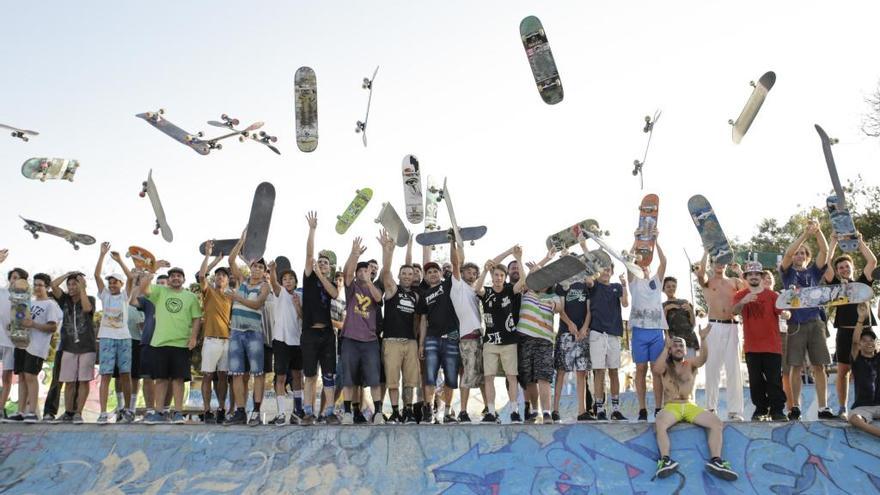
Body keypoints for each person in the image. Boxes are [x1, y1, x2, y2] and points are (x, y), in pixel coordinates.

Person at [652, 325, 738, 481]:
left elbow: (704, 358)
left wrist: (703, 339)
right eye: (675, 346)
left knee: (716, 422)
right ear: (671, 350)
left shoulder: (690, 364)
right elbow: (656, 369)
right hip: (672, 406)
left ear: (685, 350)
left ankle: (716, 460)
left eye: (681, 346)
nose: (678, 348)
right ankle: (665, 460)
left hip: (690, 406)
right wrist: (666, 347)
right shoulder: (666, 366)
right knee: (660, 421)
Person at [779, 219, 832, 420]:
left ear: (808, 257)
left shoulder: (813, 271)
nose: (799, 255)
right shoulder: (787, 272)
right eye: (797, 253)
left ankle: (823, 407)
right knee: (796, 365)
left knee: (819, 365)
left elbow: (825, 252)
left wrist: (818, 231)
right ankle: (795, 407)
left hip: (815, 321)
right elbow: (788, 254)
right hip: (795, 325)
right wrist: (804, 234)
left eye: (803, 253)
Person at [823, 233, 876, 418]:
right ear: (838, 271)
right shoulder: (836, 285)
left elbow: (872, 261)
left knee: (870, 369)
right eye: (841, 268)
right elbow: (825, 264)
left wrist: (859, 241)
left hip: (865, 333)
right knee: (843, 371)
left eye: (847, 266)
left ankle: (872, 404)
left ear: (852, 267)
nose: (844, 269)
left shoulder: (863, 282)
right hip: (845, 333)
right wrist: (833, 242)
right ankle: (843, 408)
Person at [141, 267, 202, 424]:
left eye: (179, 276)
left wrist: (193, 337)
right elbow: (143, 288)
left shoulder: (191, 297)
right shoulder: (160, 291)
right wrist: (153, 269)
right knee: (160, 379)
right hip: (159, 343)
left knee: (178, 380)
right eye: (172, 276)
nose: (175, 278)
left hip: (181, 344)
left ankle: (178, 413)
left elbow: (197, 318)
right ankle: (159, 413)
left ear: (183, 279)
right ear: (168, 279)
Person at [517, 252, 569, 424]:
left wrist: (553, 304)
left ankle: (546, 412)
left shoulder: (552, 296)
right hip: (525, 339)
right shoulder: (527, 291)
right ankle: (534, 411)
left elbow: (559, 308)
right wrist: (540, 264)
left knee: (543, 377)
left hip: (544, 341)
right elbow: (527, 278)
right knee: (528, 378)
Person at [732, 261, 788, 421]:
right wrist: (744, 301)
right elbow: (733, 312)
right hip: (751, 346)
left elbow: (783, 312)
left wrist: (786, 315)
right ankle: (761, 409)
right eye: (751, 274)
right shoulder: (740, 295)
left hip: (772, 346)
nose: (754, 277)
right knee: (755, 381)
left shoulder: (772, 295)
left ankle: (778, 410)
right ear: (746, 277)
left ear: (762, 277)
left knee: (774, 380)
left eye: (757, 274)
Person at [694, 249, 746, 422]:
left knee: (734, 369)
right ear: (712, 263)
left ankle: (735, 410)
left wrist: (739, 271)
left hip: (732, 325)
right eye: (717, 262)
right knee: (712, 368)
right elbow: (700, 274)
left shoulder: (734, 281)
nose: (720, 265)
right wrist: (706, 252)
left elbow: (750, 289)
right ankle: (710, 407)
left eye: (722, 262)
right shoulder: (708, 281)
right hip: (714, 325)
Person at [476, 248, 525, 423]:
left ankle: (514, 411)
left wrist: (518, 258)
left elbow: (523, 281)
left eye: (501, 276)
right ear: (492, 276)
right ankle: (490, 411)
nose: (498, 278)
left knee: (512, 377)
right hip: (490, 342)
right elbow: (477, 287)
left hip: (509, 341)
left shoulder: (510, 290)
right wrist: (484, 269)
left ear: (504, 278)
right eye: (495, 275)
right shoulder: (487, 292)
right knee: (488, 377)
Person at [226, 233, 270, 426]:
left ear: (264, 271)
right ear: (250, 267)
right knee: (236, 373)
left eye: (261, 267)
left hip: (253, 333)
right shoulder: (242, 280)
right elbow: (230, 260)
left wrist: (238, 299)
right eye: (255, 266)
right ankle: (241, 411)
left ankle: (257, 412)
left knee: (257, 373)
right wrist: (242, 242)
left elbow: (257, 304)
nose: (257, 269)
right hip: (236, 332)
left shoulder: (265, 286)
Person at [301, 212, 341, 425]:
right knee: (310, 375)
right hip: (309, 332)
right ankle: (308, 411)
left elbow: (334, 294)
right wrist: (312, 230)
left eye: (326, 263)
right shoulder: (308, 278)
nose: (322, 264)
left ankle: (329, 410)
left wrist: (321, 274)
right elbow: (309, 255)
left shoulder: (332, 284)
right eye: (320, 262)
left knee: (328, 375)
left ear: (330, 267)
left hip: (327, 333)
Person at [339, 236, 384, 425]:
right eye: (362, 270)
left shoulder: (374, 287)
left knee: (374, 378)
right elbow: (347, 273)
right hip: (350, 338)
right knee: (348, 378)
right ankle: (348, 412)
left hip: (370, 340)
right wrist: (354, 254)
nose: (365, 273)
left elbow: (379, 299)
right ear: (357, 273)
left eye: (368, 270)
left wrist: (369, 282)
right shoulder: (352, 287)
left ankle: (378, 413)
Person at [378, 232, 420, 424]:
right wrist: (388, 251)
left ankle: (408, 411)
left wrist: (410, 247)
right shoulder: (392, 290)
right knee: (393, 380)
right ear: (399, 276)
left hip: (410, 342)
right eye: (403, 273)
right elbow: (385, 273)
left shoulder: (416, 296)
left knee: (410, 381)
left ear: (414, 277)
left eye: (410, 274)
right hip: (392, 340)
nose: (406, 276)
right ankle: (395, 411)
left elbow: (419, 320)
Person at [10, 273, 62, 422]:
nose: (37, 288)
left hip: (37, 346)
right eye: (36, 284)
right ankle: (20, 411)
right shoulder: (29, 302)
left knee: (30, 376)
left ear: (46, 287)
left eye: (40, 285)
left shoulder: (50, 304)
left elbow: (52, 327)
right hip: (22, 343)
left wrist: (33, 324)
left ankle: (32, 411)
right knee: (21, 377)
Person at [417, 253, 460, 425]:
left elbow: (457, 264)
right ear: (425, 277)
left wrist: (453, 244)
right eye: (429, 272)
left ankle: (448, 412)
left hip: (451, 337)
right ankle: (429, 412)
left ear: (441, 274)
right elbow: (422, 321)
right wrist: (421, 343)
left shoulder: (448, 285)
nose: (433, 274)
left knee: (451, 378)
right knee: (429, 377)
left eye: (436, 271)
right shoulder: (424, 295)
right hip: (432, 339)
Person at [552, 242, 593, 422]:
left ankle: (582, 410)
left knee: (581, 371)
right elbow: (560, 308)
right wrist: (569, 324)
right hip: (565, 332)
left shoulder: (585, 284)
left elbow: (589, 309)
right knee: (561, 370)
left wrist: (584, 327)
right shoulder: (562, 284)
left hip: (583, 333)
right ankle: (555, 410)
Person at [94, 243, 134, 424]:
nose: (111, 285)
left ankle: (127, 410)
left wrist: (120, 260)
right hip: (107, 338)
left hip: (124, 338)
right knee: (106, 375)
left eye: (115, 282)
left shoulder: (126, 296)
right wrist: (102, 254)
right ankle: (103, 412)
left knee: (126, 374)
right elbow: (96, 275)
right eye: (110, 282)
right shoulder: (105, 295)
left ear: (121, 284)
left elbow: (131, 277)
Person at [628, 235, 667, 421]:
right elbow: (627, 261)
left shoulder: (656, 282)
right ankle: (642, 409)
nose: (643, 266)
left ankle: (659, 408)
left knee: (657, 370)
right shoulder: (633, 282)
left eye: (646, 265)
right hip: (639, 331)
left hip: (656, 331)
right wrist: (636, 241)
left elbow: (664, 261)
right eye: (639, 264)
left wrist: (656, 242)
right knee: (641, 369)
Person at [48, 272, 95, 424]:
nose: (72, 287)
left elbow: (87, 308)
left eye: (75, 284)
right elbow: (53, 285)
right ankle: (68, 411)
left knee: (83, 381)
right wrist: (68, 274)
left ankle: (78, 412)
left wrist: (83, 289)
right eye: (70, 284)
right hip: (68, 346)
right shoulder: (64, 300)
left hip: (86, 346)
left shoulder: (89, 298)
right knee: (68, 381)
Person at [586, 264, 628, 421]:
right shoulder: (594, 285)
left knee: (614, 371)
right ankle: (600, 408)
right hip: (597, 333)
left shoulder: (617, 287)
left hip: (613, 334)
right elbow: (589, 280)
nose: (606, 271)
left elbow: (625, 303)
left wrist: (624, 285)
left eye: (608, 269)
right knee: (599, 371)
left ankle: (616, 409)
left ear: (612, 272)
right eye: (603, 269)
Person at [198, 241, 232, 424]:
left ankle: (221, 408)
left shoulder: (231, 295)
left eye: (223, 275)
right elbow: (202, 275)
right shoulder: (209, 292)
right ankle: (206, 410)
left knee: (223, 376)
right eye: (218, 275)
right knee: (208, 375)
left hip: (226, 340)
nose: (220, 277)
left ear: (227, 280)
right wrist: (209, 257)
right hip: (210, 340)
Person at [266, 259, 303, 425]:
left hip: (298, 342)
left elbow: (303, 317)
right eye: (285, 279)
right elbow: (273, 282)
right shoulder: (279, 292)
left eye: (291, 278)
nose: (288, 281)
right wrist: (272, 269)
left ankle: (298, 411)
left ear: (296, 281)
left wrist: (297, 306)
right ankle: (281, 413)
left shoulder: (300, 296)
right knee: (280, 378)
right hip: (281, 341)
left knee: (297, 376)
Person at [847, 303, 880, 437]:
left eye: (871, 340)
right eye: (865, 340)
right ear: (860, 345)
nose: (869, 343)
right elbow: (854, 341)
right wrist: (861, 319)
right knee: (853, 418)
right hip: (863, 406)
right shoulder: (857, 359)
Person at [0, 253, 25, 422]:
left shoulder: (23, 300)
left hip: (10, 342)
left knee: (7, 377)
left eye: (17, 278)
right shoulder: (1, 292)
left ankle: (1, 409)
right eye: (12, 278)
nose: (13, 280)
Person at [662, 277, 698, 358]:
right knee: (675, 369)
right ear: (663, 289)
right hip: (674, 343)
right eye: (668, 286)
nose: (671, 288)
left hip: (689, 341)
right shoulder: (662, 306)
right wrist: (665, 310)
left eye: (673, 286)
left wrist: (691, 311)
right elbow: (662, 325)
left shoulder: (685, 302)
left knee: (691, 368)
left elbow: (693, 324)